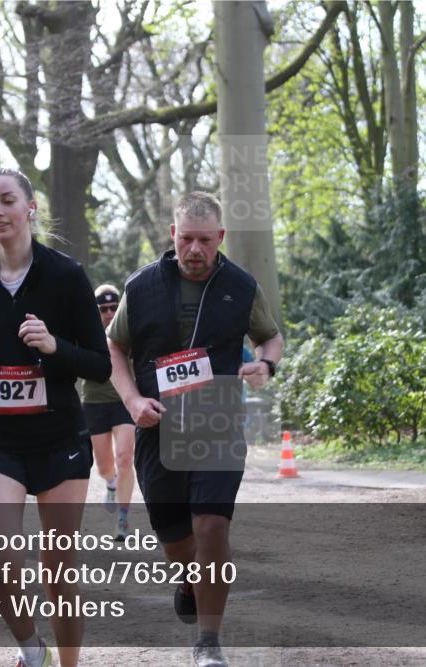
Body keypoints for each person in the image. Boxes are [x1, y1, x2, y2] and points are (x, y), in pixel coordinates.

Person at [107, 192, 284, 667]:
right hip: (157, 425)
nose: (195, 249)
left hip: (216, 420)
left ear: (220, 238)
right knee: (176, 538)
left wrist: (266, 364)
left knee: (211, 526)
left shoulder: (241, 286)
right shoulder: (141, 286)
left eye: (205, 240)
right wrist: (131, 399)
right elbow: (115, 348)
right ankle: (189, 578)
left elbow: (271, 336)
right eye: (187, 238)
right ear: (173, 235)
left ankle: (209, 642)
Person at [0, 168, 110, 667]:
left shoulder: (65, 276)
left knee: (59, 567)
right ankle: (32, 652)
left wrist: (54, 345)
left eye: (6, 201)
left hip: (59, 439)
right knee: (0, 563)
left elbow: (99, 363)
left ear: (30, 209)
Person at [81, 284, 136, 540]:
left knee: (125, 457)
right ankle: (111, 484)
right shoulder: (86, 333)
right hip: (94, 403)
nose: (110, 313)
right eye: (103, 309)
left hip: (125, 403)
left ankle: (123, 518)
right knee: (104, 466)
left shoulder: (130, 330)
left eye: (114, 307)